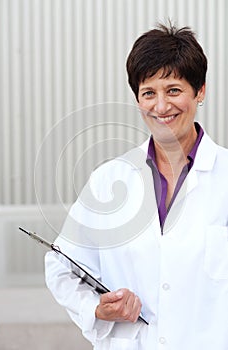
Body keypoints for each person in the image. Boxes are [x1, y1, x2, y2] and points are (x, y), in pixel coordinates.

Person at [45, 22, 228, 350]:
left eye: (173, 90)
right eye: (149, 93)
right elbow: (61, 266)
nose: (160, 107)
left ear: (200, 91)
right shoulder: (109, 181)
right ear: (137, 98)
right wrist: (97, 308)